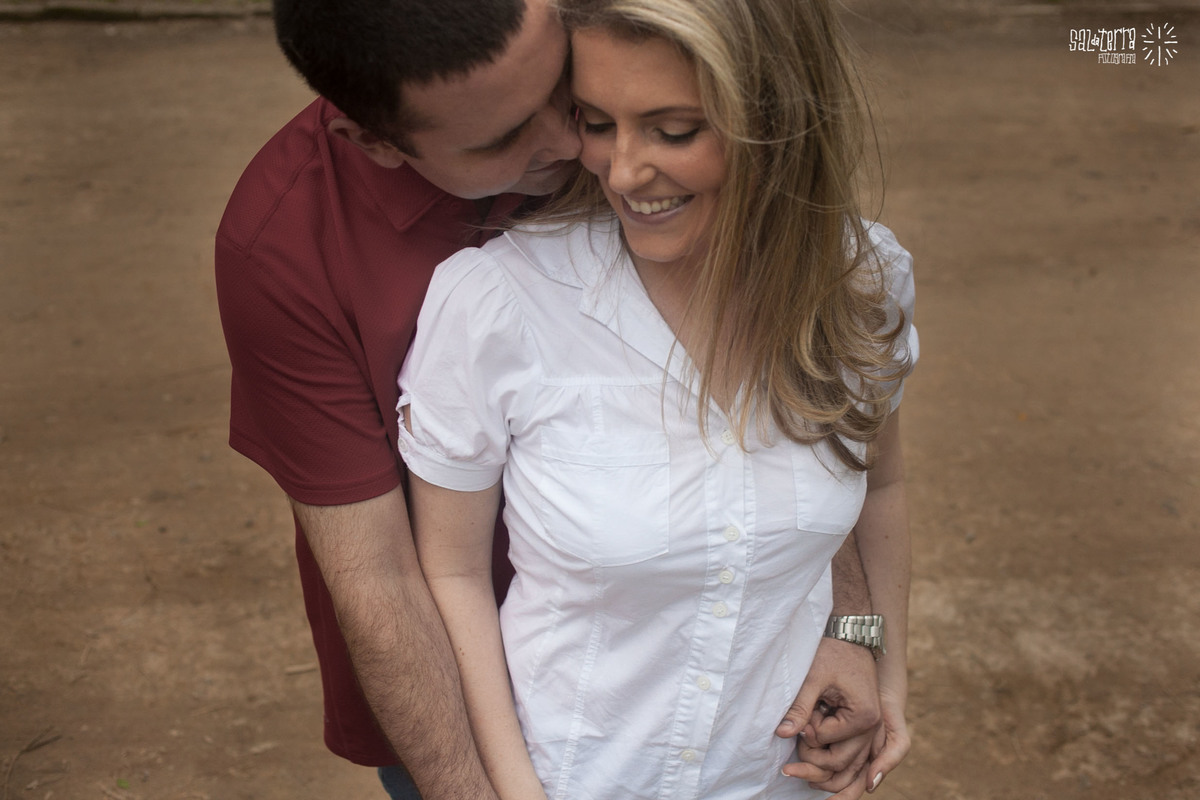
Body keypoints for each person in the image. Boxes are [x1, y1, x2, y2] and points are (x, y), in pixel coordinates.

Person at [215, 0, 896, 797]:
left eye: (565, 91)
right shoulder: (285, 251)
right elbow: (384, 579)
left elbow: (800, 421)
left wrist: (849, 625)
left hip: (732, 682)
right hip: (474, 702)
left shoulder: (633, 120)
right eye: (505, 138)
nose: (579, 148)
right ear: (374, 141)